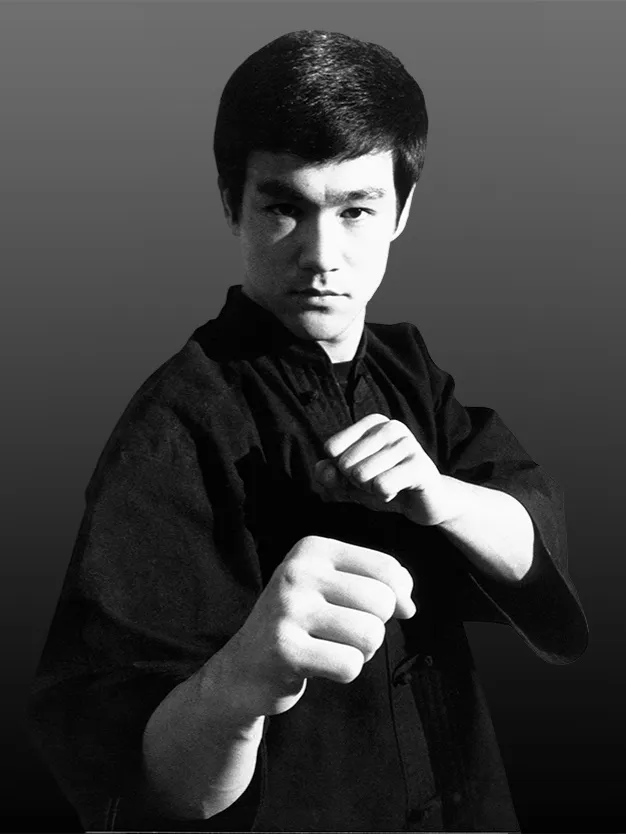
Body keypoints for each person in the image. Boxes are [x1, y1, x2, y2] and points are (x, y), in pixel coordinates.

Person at [29, 30, 588, 833]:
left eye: (356, 210)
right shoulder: (173, 425)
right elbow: (138, 781)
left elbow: (532, 532)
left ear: (401, 212)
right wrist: (239, 680)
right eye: (284, 208)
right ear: (232, 204)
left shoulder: (408, 365)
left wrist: (446, 496)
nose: (322, 256)